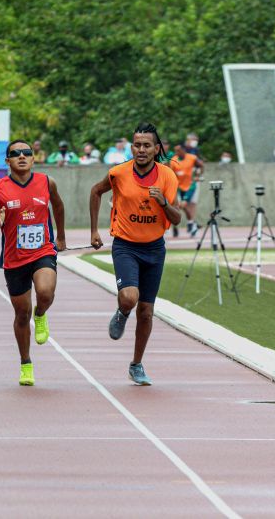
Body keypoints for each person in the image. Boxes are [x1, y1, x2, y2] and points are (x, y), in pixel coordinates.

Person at [89, 122, 181, 386]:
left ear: (156, 148)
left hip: (154, 248)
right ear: (132, 147)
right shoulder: (118, 173)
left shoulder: (167, 177)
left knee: (147, 312)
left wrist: (163, 201)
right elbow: (96, 191)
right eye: (137, 145)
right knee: (130, 297)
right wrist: (94, 230)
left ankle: (136, 364)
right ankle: (122, 311)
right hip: (126, 245)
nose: (141, 150)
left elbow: (176, 218)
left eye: (146, 145)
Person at [0, 140, 66, 386]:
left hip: (42, 251)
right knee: (21, 314)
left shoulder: (46, 182)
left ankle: (41, 314)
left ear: (33, 159)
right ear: (7, 161)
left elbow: (59, 206)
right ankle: (26, 364)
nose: (22, 156)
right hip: (14, 258)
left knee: (45, 292)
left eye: (26, 153)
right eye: (15, 154)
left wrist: (60, 236)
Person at [170, 144, 205, 237]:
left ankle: (189, 224)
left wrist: (198, 176)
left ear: (183, 150)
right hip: (179, 186)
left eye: (178, 150)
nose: (176, 152)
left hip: (190, 185)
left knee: (183, 204)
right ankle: (191, 223)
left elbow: (201, 165)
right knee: (177, 206)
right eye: (175, 150)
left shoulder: (192, 158)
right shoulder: (174, 160)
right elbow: (170, 172)